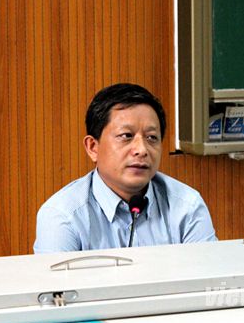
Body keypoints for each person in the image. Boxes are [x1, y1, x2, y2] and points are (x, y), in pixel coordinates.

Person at [33, 83, 216, 253]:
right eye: (126, 136)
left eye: (151, 138)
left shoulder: (187, 207)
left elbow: (206, 274)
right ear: (93, 147)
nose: (141, 150)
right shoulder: (63, 216)